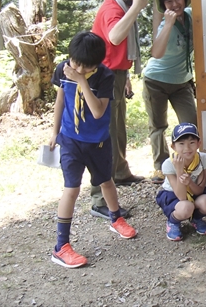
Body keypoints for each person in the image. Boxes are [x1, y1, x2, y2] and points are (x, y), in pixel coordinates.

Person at [49, 32, 137, 268]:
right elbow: (60, 101)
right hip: (70, 140)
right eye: (74, 62)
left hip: (98, 140)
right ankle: (61, 246)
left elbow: (98, 111)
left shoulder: (104, 76)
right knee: (71, 189)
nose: (76, 68)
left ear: (96, 64)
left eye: (83, 66)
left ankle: (115, 218)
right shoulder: (63, 69)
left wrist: (82, 81)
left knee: (106, 181)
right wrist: (53, 132)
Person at [90, 0, 147, 219]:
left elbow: (119, 48)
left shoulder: (123, 6)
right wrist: (136, 7)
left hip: (116, 74)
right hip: (103, 76)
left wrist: (124, 76)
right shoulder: (113, 8)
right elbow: (114, 36)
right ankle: (99, 198)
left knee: (119, 129)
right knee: (105, 134)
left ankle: (121, 173)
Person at [142, 0, 197, 185]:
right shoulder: (166, 23)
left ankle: (191, 163)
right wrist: (169, 23)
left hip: (182, 81)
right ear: (163, 5)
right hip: (155, 80)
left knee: (191, 123)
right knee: (158, 125)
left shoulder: (192, 16)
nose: (175, 4)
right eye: (169, 1)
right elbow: (156, 52)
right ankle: (161, 167)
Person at [156, 123, 206, 241]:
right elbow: (181, 196)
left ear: (199, 143)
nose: (187, 148)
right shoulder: (168, 164)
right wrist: (179, 170)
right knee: (186, 207)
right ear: (173, 147)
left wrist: (190, 183)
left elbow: (199, 190)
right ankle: (173, 222)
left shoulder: (204, 159)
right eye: (181, 144)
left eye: (192, 143)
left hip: (193, 192)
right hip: (173, 194)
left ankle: (196, 219)